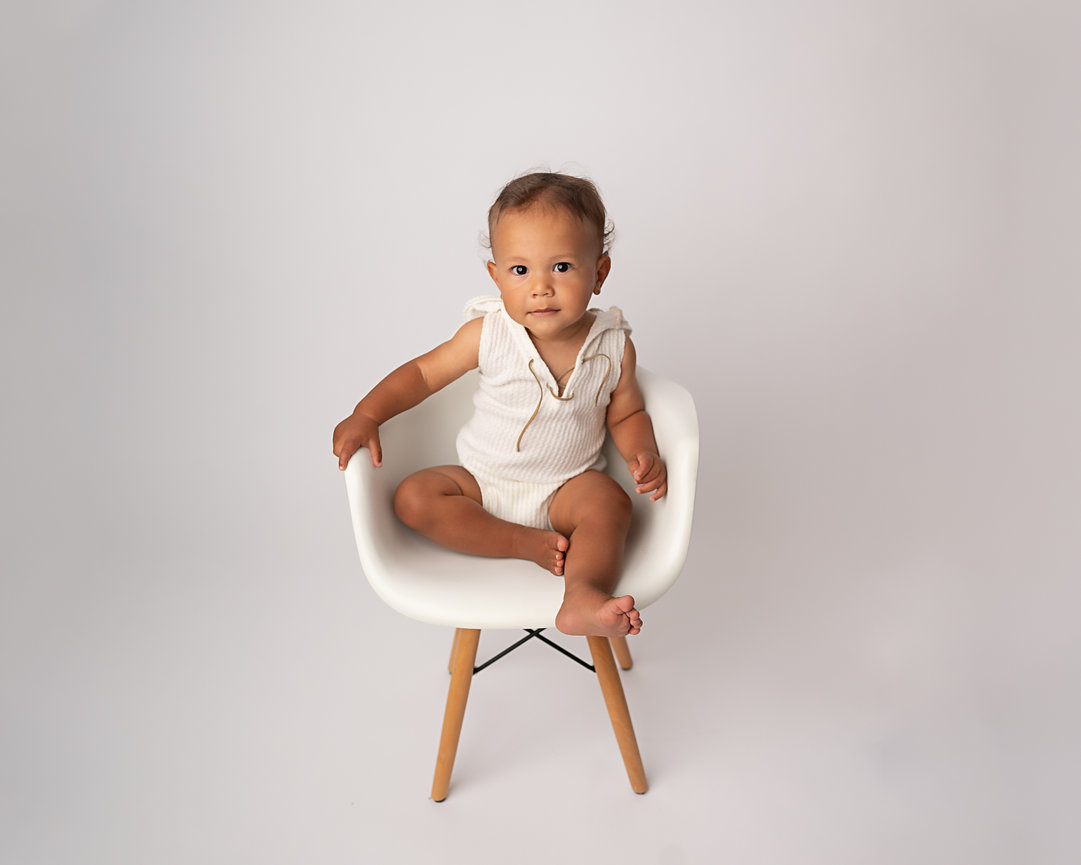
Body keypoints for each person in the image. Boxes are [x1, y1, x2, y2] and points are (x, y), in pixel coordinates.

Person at [332, 172, 667, 638]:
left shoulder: (613, 347)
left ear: (599, 273)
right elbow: (423, 374)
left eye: (563, 267)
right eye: (520, 270)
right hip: (480, 484)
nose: (540, 287)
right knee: (413, 497)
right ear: (496, 275)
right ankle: (521, 543)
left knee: (610, 502)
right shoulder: (489, 334)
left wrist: (641, 453)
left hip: (564, 492)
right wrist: (367, 414)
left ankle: (583, 594)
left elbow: (627, 413)